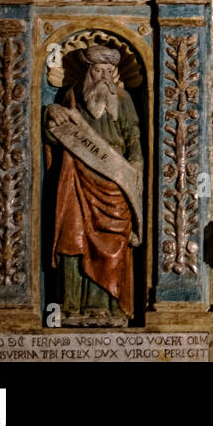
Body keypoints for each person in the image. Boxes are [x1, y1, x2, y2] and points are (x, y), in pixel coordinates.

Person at [44, 44, 143, 325]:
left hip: (115, 180)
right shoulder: (72, 98)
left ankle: (109, 309)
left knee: (115, 242)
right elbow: (54, 138)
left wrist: (135, 167)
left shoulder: (123, 101)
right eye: (97, 70)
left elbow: (134, 137)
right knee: (72, 241)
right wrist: (51, 113)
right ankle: (72, 308)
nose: (103, 78)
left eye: (108, 72)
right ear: (88, 71)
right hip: (76, 177)